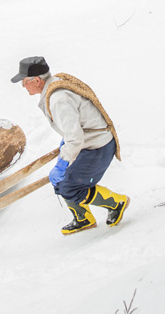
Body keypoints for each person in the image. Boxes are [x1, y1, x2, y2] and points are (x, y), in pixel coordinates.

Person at [11, 56, 130, 235]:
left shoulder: (58, 99)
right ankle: (83, 218)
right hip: (89, 142)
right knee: (61, 183)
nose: (22, 86)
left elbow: (75, 139)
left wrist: (62, 163)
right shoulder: (55, 84)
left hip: (97, 147)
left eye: (24, 82)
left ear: (36, 80)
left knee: (70, 187)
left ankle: (117, 203)